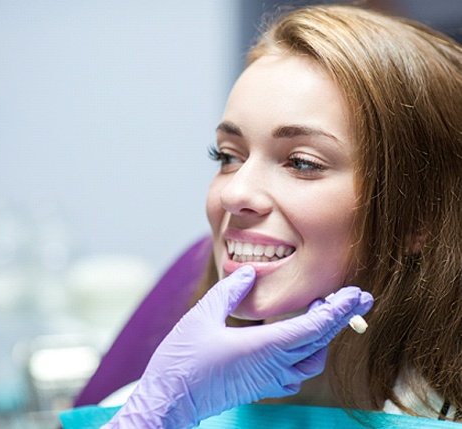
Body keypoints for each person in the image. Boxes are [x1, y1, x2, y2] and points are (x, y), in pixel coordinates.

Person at [99, 3, 462, 428]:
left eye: (302, 162)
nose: (235, 193)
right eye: (228, 156)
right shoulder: (152, 407)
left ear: (417, 218)